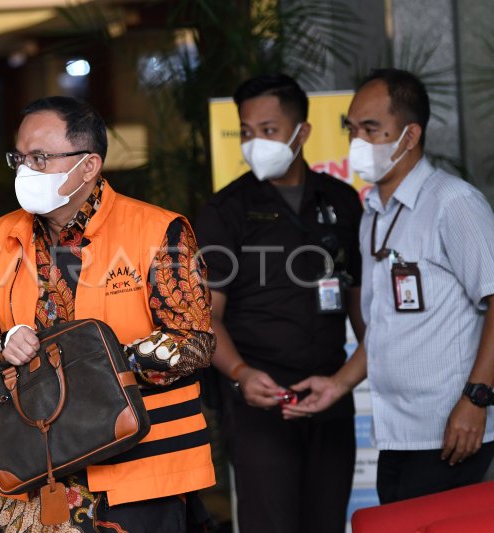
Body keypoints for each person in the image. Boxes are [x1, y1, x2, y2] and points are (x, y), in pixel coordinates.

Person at [0, 96, 216, 531]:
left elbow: (194, 341)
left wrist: (102, 360)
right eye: (18, 157)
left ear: (89, 165)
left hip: (139, 466)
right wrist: (3, 346)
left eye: (39, 157)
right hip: (34, 471)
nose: (25, 169)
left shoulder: (157, 230)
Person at [285, 68, 494, 504]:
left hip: (454, 432)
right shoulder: (375, 213)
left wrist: (477, 399)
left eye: (371, 129)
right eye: (352, 129)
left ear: (410, 134)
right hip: (398, 435)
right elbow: (384, 328)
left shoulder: (453, 203)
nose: (357, 141)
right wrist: (338, 384)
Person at [195, 74, 365, 533]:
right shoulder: (224, 211)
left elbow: (364, 312)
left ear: (301, 132)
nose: (255, 143)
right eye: (246, 132)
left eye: (268, 131)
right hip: (258, 400)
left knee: (327, 522)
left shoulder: (343, 202)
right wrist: (240, 374)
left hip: (329, 393)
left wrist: (350, 377)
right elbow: (207, 317)